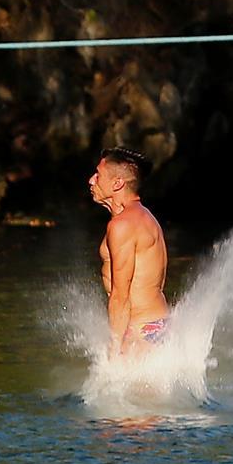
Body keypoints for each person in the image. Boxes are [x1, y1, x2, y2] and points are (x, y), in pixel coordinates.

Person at [88, 147, 169, 358]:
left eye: (98, 175)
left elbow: (120, 295)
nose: (91, 180)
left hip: (140, 333)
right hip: (156, 327)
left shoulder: (122, 226)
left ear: (117, 183)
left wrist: (115, 349)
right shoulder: (145, 218)